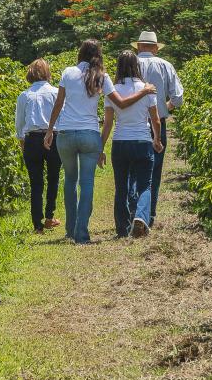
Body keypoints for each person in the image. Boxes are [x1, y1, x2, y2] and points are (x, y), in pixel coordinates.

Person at [43, 40, 156, 244]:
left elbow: (59, 103)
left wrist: (50, 129)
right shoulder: (102, 77)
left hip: (66, 133)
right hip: (89, 134)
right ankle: (81, 234)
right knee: (86, 183)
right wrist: (145, 90)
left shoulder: (68, 72)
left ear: (80, 53)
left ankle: (70, 229)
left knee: (70, 180)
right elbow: (121, 103)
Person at [101, 50, 164, 238]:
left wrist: (101, 146)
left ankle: (122, 229)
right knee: (145, 185)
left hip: (120, 142)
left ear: (118, 67)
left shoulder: (112, 91)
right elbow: (156, 120)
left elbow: (108, 122)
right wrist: (157, 139)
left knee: (121, 187)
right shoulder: (147, 88)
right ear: (137, 66)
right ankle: (141, 217)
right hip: (142, 141)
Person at [131, 31, 183, 228]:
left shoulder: (130, 64)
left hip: (133, 122)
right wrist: (164, 108)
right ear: (154, 48)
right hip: (157, 122)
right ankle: (148, 214)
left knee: (133, 168)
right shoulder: (165, 65)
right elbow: (178, 98)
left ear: (138, 47)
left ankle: (133, 210)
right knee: (154, 169)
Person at [15, 58, 62, 234]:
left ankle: (37, 224)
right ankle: (50, 216)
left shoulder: (24, 95)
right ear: (47, 73)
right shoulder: (56, 93)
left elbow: (19, 123)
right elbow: (61, 117)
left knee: (35, 182)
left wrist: (22, 142)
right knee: (53, 178)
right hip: (53, 137)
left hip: (31, 139)